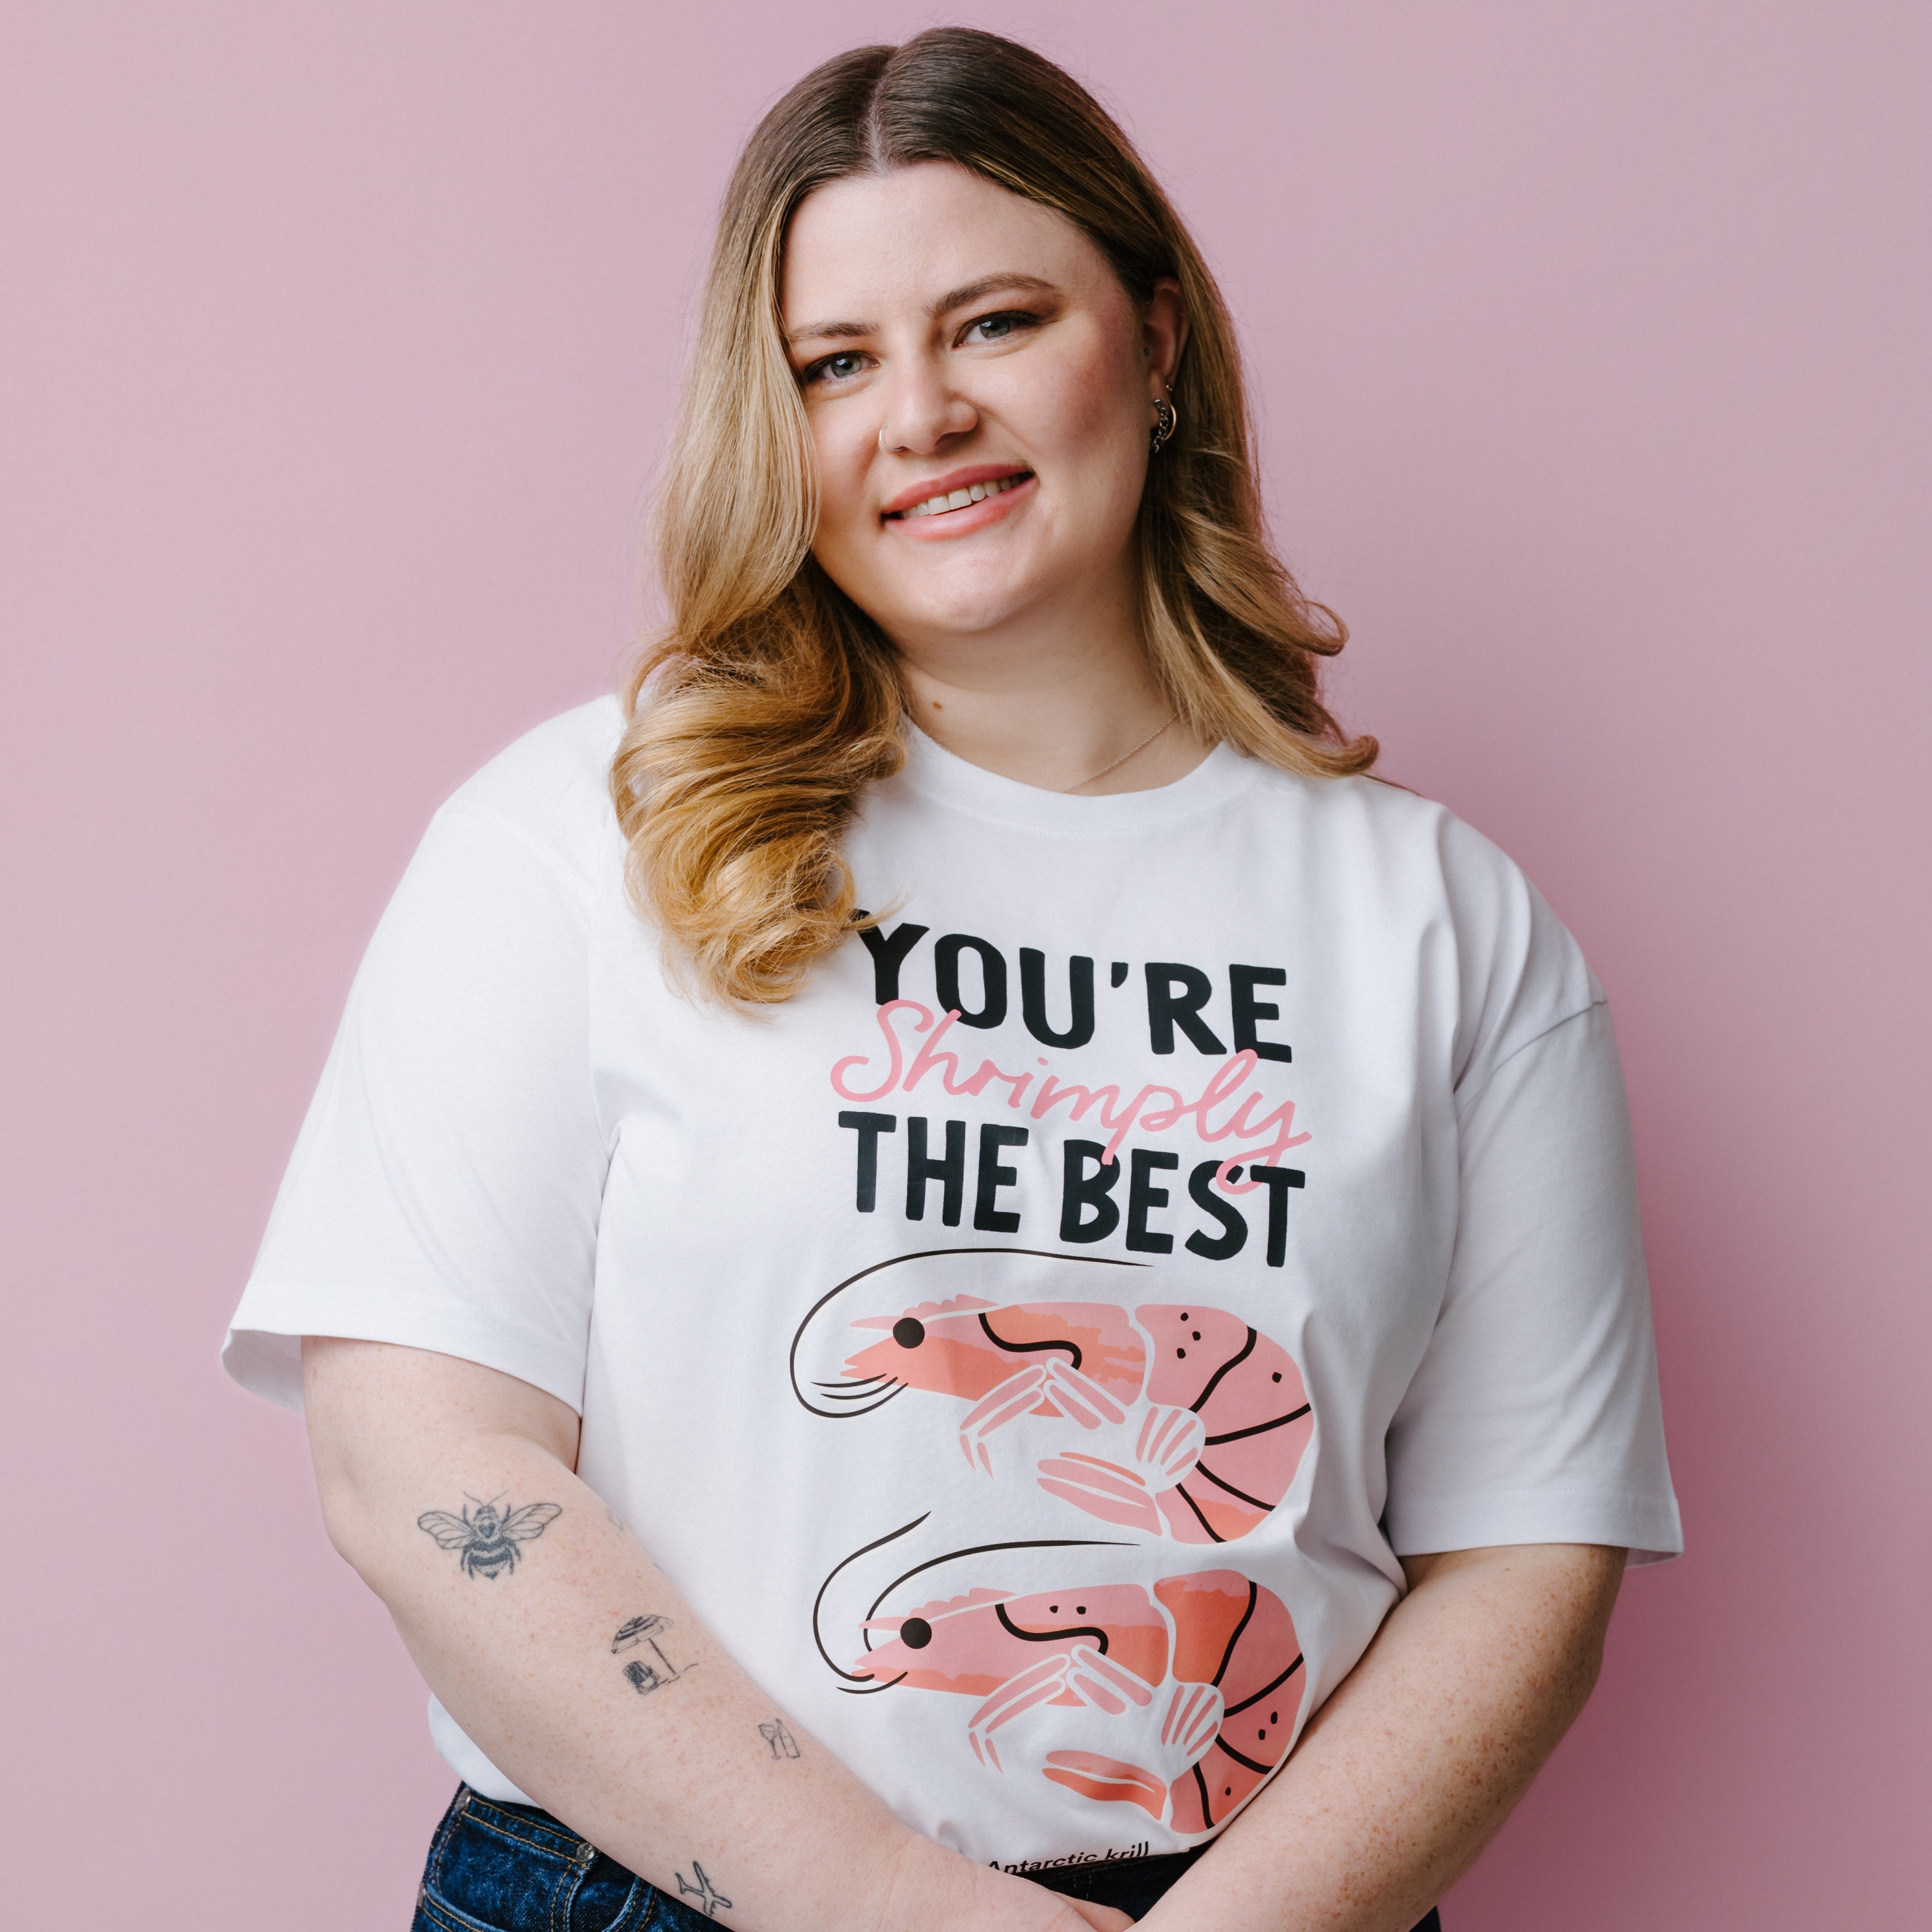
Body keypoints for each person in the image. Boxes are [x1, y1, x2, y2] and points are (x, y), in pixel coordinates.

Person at [223, 28, 1681, 1932]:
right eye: (835, 363)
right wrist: (902, 1911)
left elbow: (1528, 1555)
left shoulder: (1452, 932)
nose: (915, 415)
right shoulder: (573, 842)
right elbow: (416, 1465)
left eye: (992, 322)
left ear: (1156, 344)